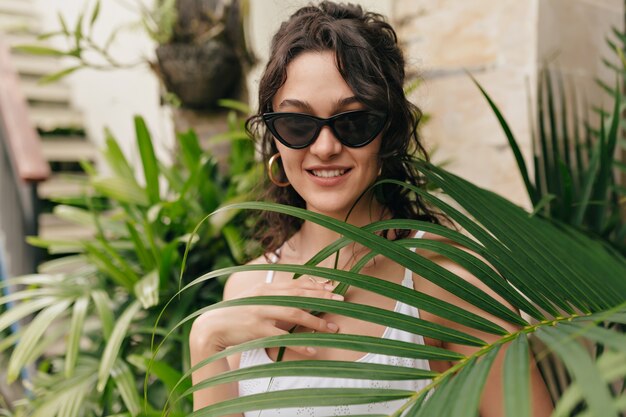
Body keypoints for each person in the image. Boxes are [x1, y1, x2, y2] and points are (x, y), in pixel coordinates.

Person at [189, 2, 553, 416]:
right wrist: (206, 339)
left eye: (354, 122)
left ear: (389, 132)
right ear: (274, 137)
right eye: (297, 124)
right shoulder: (245, 288)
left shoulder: (446, 278)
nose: (325, 147)